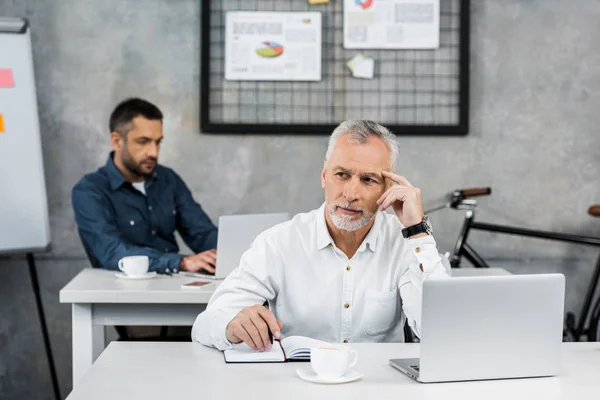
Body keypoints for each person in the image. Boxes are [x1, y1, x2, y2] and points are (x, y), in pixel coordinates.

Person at [191, 120, 449, 351]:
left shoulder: (404, 242)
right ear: (324, 176)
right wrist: (231, 325)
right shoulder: (280, 243)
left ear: (389, 188)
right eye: (342, 175)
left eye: (368, 180)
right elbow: (205, 324)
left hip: (380, 387)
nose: (350, 193)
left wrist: (417, 231)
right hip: (297, 385)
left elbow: (442, 332)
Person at [72, 98, 218, 275]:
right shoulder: (90, 190)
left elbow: (202, 233)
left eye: (158, 142)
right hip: (120, 293)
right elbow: (112, 253)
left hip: (174, 287)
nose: (154, 152)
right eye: (143, 141)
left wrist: (234, 255)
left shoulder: (168, 179)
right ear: (117, 141)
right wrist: (181, 262)